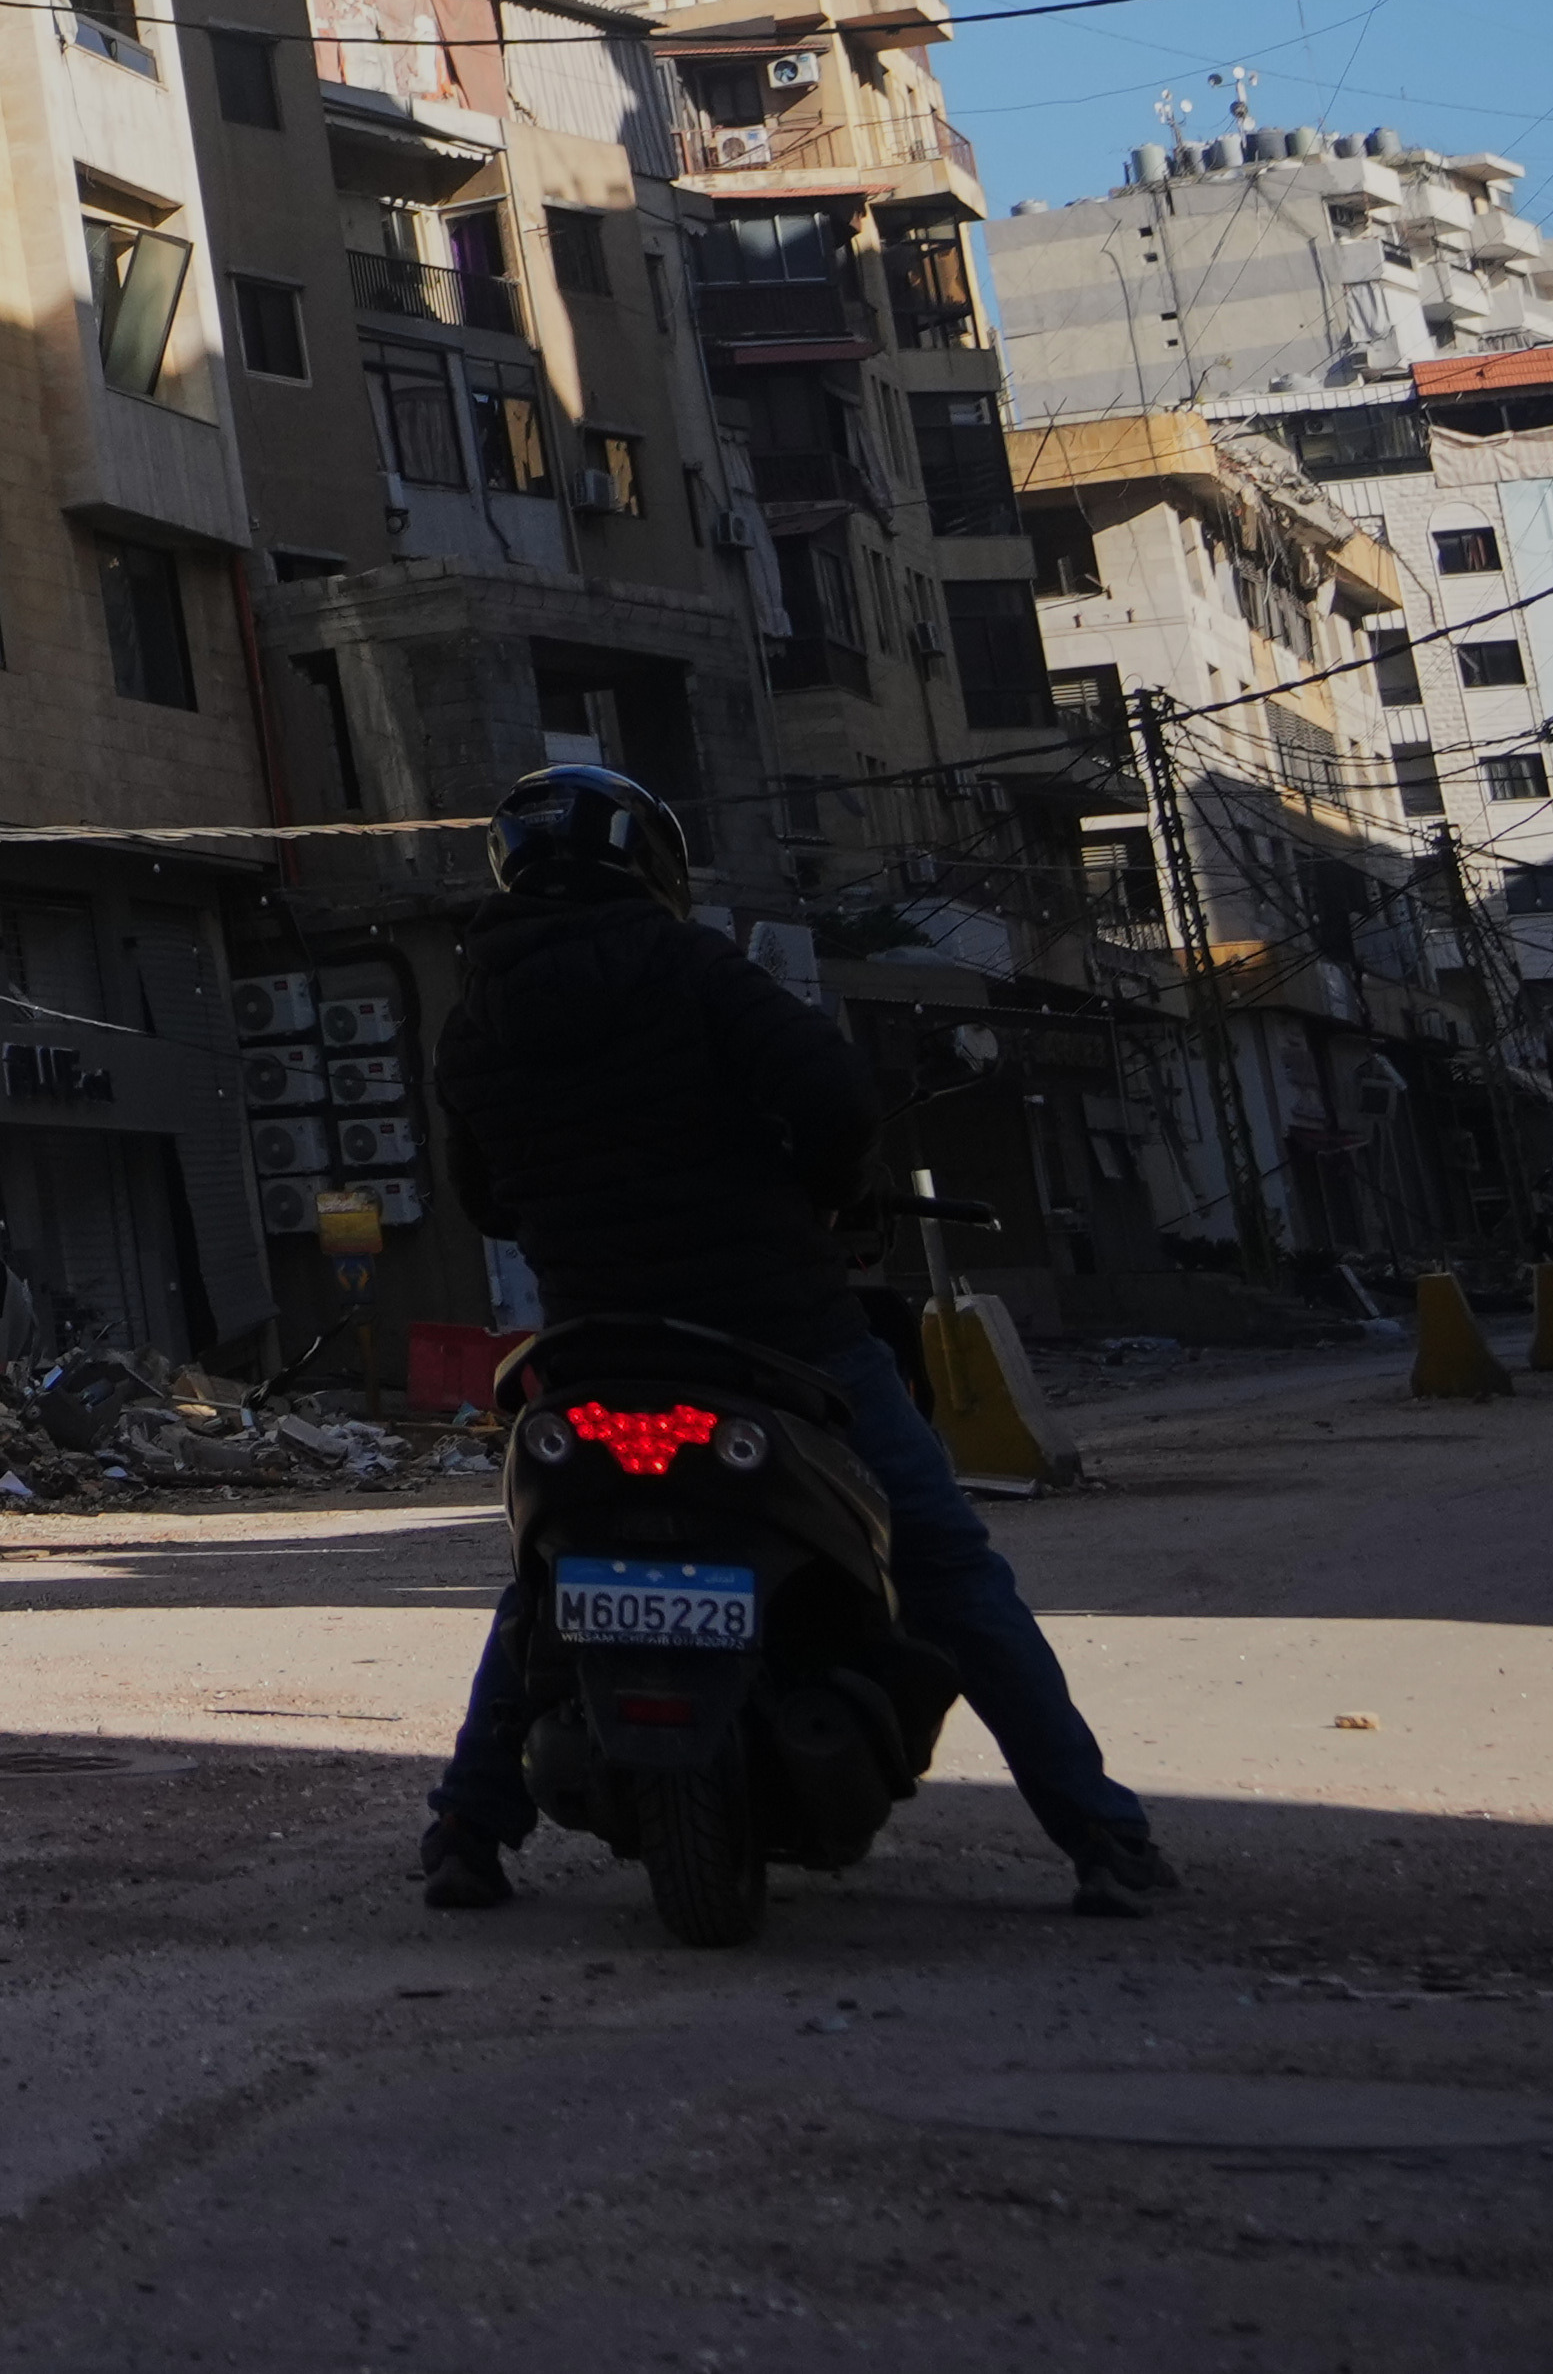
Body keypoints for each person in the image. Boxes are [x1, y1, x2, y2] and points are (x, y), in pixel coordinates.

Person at [418, 761, 1179, 1916]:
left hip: (594, 1350)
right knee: (945, 1568)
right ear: (648, 861)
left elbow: (482, 1201)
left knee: (548, 1575)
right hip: (780, 1333)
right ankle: (1103, 1838)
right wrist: (827, 1192)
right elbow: (832, 1096)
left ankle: (466, 1835)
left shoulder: (473, 1022)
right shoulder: (691, 965)